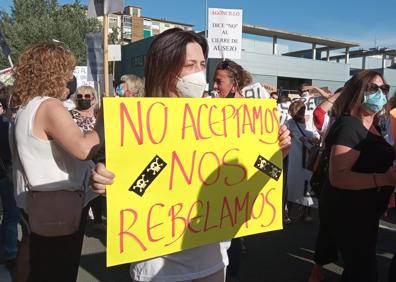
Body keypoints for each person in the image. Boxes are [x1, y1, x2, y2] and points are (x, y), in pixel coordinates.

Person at [91, 28, 291, 282]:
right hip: (159, 269)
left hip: (213, 261)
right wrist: (106, 182)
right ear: (165, 67)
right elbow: (134, 189)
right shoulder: (139, 125)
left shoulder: (222, 122)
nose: (199, 72)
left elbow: (255, 177)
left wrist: (277, 155)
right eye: (189, 64)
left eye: (202, 64)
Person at [10, 42, 103, 282]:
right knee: (59, 270)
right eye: (68, 70)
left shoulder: (24, 107)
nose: (71, 77)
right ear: (53, 72)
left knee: (41, 268)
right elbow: (84, 149)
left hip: (38, 204)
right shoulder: (49, 106)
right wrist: (104, 122)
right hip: (62, 206)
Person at [314, 70, 396, 282]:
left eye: (384, 89)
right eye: (373, 88)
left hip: (364, 212)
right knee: (363, 272)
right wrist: (383, 179)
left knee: (358, 270)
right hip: (350, 213)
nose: (380, 93)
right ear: (357, 93)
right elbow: (338, 177)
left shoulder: (374, 125)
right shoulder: (349, 126)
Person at [70, 85, 105, 231]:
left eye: (87, 96)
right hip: (80, 159)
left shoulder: (99, 114)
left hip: (100, 156)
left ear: (93, 98)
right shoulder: (69, 115)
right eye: (80, 97)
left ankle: (97, 221)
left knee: (97, 191)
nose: (83, 99)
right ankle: (77, 222)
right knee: (81, 192)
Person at [0, 90, 19, 277]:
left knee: (10, 217)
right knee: (11, 217)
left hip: (5, 174)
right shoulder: (9, 124)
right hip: (7, 175)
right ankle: (10, 252)